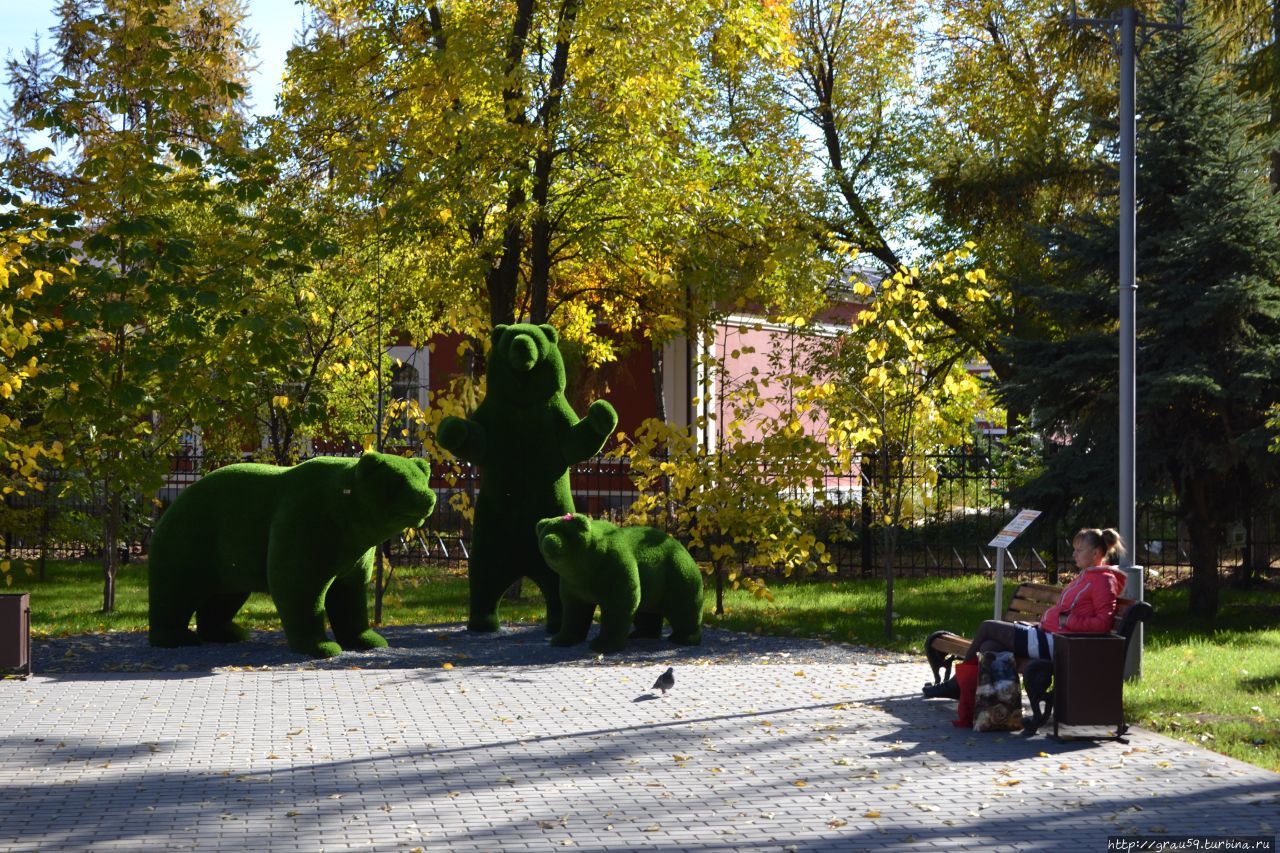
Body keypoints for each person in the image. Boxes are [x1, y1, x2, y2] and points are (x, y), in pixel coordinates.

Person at [921, 528, 1129, 699]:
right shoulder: (1087, 576)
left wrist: (1066, 620)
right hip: (1048, 636)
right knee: (989, 646)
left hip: (1060, 644)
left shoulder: (1103, 580)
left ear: (1095, 554)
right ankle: (979, 696)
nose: (1074, 554)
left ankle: (957, 684)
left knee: (988, 626)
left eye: (1079, 550)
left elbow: (1102, 623)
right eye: (1074, 549)